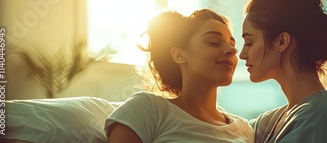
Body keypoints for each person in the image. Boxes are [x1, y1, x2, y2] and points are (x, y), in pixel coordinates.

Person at [105, 9, 254, 143]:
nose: (232, 51)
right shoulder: (148, 109)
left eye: (232, 44)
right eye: (213, 42)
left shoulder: (244, 130)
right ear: (179, 54)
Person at [239, 0, 327, 142]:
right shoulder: (274, 120)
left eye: (249, 43)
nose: (242, 54)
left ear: (282, 42)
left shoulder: (318, 117)